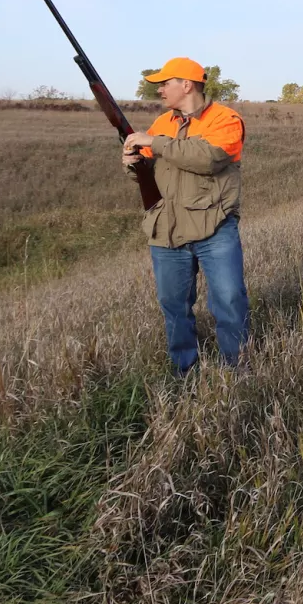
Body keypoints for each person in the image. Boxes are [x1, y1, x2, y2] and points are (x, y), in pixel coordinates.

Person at [121, 57, 250, 374]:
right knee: (174, 307)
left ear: (187, 84)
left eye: (165, 83)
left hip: (214, 227)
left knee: (230, 301)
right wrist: (132, 164)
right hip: (167, 230)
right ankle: (184, 371)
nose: (160, 90)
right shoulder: (162, 124)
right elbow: (148, 173)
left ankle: (238, 369)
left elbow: (208, 158)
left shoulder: (226, 120)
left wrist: (155, 142)